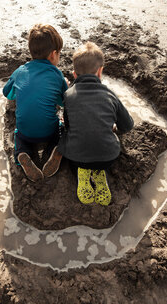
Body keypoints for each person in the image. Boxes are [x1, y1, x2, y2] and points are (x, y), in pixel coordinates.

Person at [56, 42, 134, 205]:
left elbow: (70, 127)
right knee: (106, 144)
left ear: (74, 74)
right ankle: (99, 172)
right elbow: (127, 125)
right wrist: (112, 128)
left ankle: (81, 173)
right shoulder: (110, 95)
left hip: (76, 157)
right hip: (108, 157)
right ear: (100, 72)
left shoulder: (68, 95)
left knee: (62, 133)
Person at [3, 24, 67, 182]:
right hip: (48, 131)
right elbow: (64, 101)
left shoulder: (20, 71)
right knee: (59, 129)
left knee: (19, 136)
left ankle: (22, 154)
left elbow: (7, 92)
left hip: (26, 131)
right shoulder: (57, 75)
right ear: (53, 55)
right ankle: (55, 149)